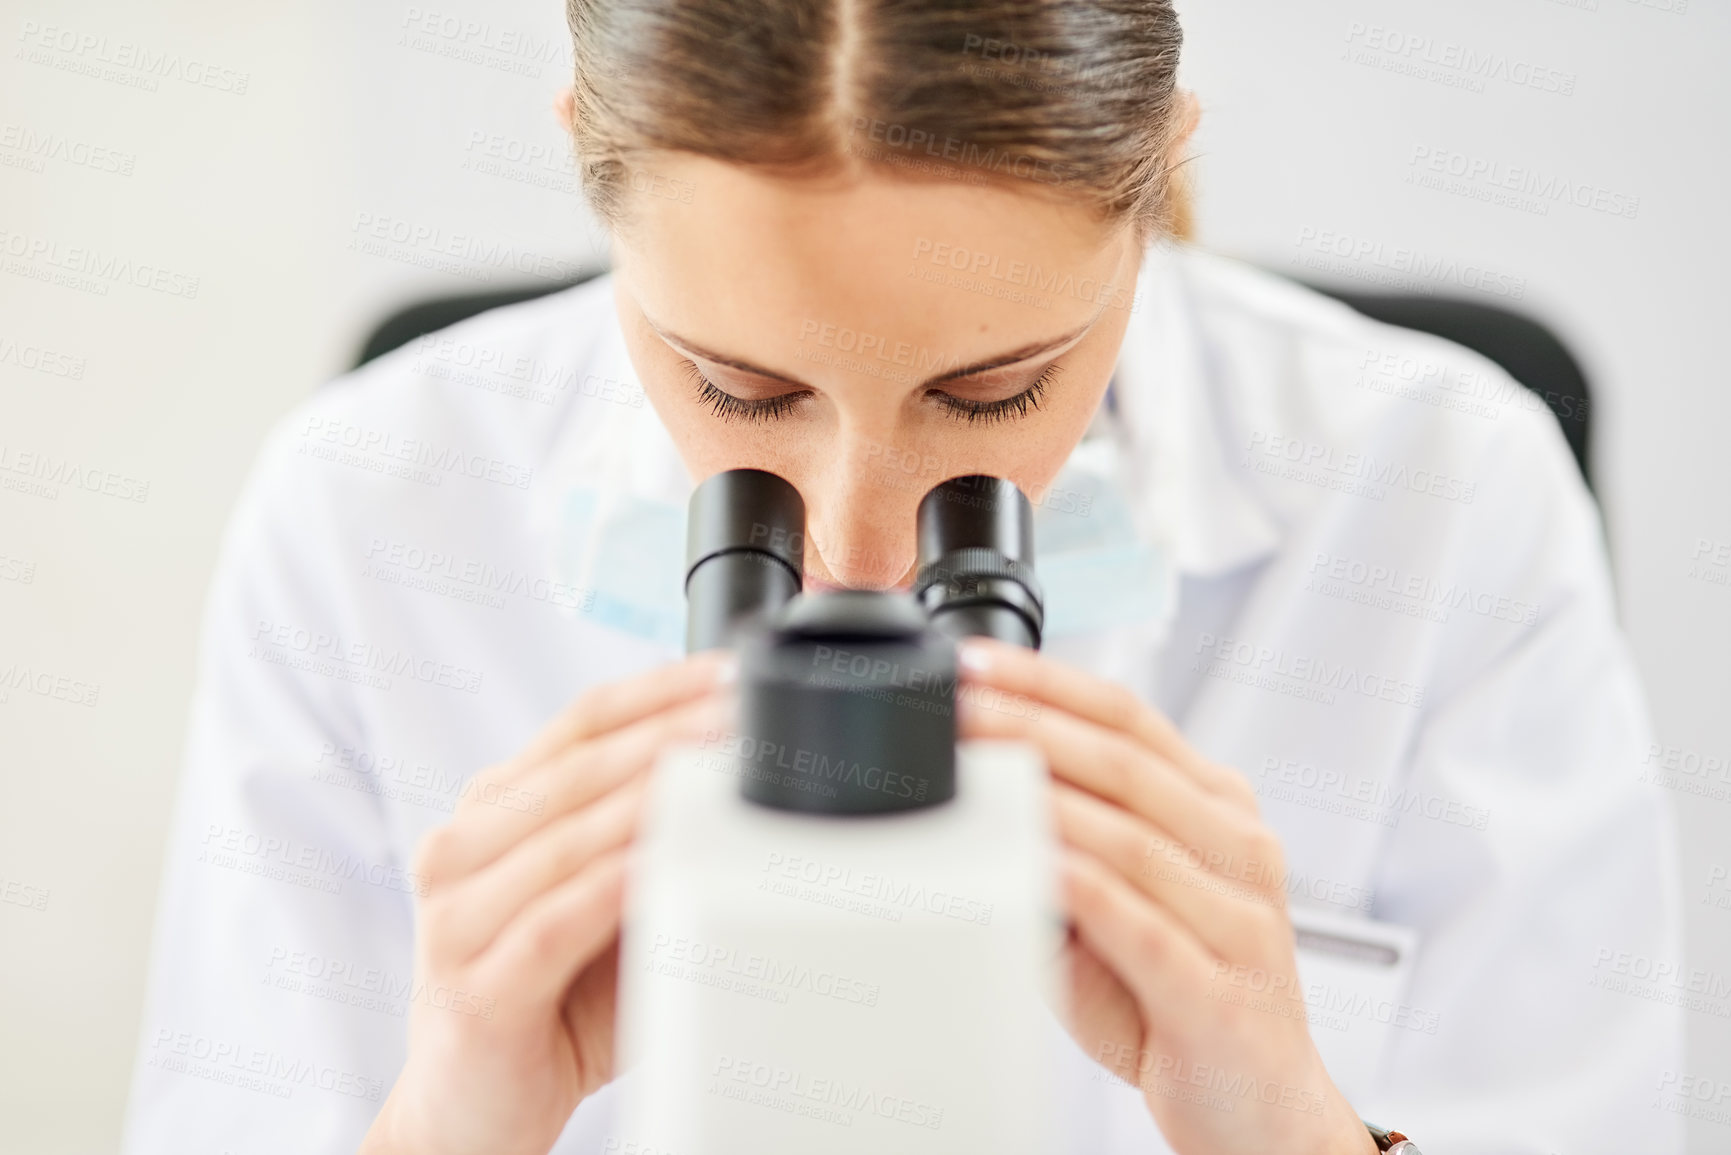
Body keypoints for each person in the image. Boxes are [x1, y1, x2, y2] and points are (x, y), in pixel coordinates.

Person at [120, 1, 1683, 1153]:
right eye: (739, 395)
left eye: (994, 396)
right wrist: (452, 1120)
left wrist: (1277, 1115)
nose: (859, 560)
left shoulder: (1440, 493)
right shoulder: (368, 511)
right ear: (586, 166)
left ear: (1159, 178)